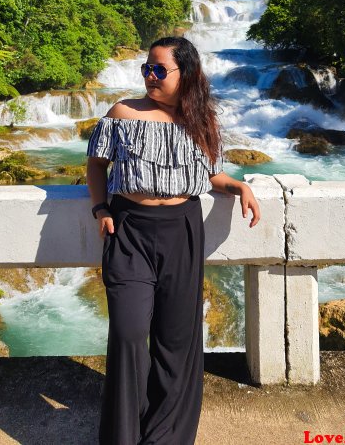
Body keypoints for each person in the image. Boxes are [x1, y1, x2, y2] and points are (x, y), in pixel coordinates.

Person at [86, 35, 261, 445]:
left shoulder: (200, 120)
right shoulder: (123, 112)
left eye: (160, 69)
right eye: (147, 68)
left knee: (176, 339)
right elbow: (96, 165)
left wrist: (237, 186)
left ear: (187, 74)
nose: (150, 76)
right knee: (129, 333)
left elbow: (210, 175)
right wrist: (100, 208)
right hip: (130, 229)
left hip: (182, 229)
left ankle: (166, 437)